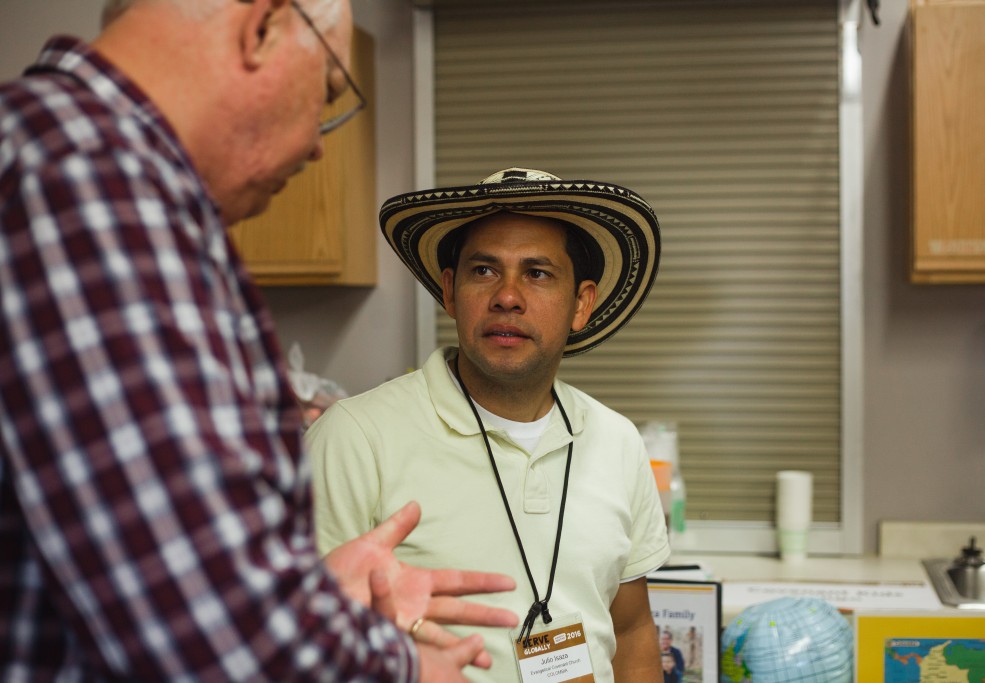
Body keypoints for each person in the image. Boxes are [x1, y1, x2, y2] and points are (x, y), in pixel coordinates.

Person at [0, 0, 521, 680]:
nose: (317, 144)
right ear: (264, 27)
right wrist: (406, 668)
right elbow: (203, 634)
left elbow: (133, 568)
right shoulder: (89, 182)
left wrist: (308, 596)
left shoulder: (63, 156)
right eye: (328, 91)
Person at [307, 167, 671, 681]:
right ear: (450, 292)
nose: (508, 296)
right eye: (484, 271)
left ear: (581, 304)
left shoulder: (616, 441)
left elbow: (631, 630)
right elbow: (291, 634)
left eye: (538, 273)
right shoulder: (354, 438)